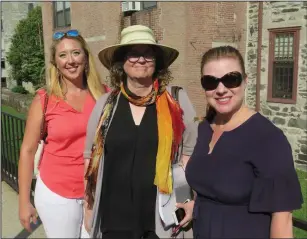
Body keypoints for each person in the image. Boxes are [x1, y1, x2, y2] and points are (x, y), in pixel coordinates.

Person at [83, 25, 198, 239]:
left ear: (157, 61)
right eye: (133, 53)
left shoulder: (177, 100)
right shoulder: (105, 105)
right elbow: (89, 158)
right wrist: (89, 207)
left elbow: (191, 153)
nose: (141, 59)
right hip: (113, 217)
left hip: (161, 218)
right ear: (121, 62)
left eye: (148, 54)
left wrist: (190, 199)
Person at [185, 45, 303, 238]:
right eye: (211, 82)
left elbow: (283, 219)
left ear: (245, 81)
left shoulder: (267, 139)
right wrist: (194, 206)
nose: (221, 89)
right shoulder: (204, 129)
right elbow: (210, 189)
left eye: (231, 79)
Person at [18, 29, 107, 238]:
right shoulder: (45, 99)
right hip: (57, 194)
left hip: (95, 192)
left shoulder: (103, 94)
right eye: (63, 55)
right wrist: (24, 201)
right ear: (55, 62)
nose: (71, 61)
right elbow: (28, 150)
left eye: (76, 53)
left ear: (85, 57)